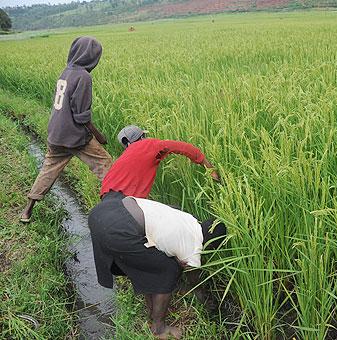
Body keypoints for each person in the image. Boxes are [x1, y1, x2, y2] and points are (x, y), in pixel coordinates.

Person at [88, 191, 226, 339]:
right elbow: (196, 285)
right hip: (117, 227)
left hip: (105, 210)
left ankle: (153, 313)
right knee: (168, 270)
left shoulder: (188, 219)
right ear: (212, 245)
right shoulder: (194, 246)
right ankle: (159, 328)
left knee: (154, 263)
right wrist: (209, 304)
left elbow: (163, 235)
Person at [20, 36, 112, 223]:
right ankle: (116, 206)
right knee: (106, 164)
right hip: (75, 136)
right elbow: (81, 116)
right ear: (91, 57)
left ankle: (27, 210)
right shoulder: (84, 77)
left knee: (48, 171)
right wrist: (99, 136)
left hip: (55, 134)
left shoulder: (66, 72)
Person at [100, 125, 220, 199]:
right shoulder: (150, 144)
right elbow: (185, 148)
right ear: (142, 137)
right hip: (128, 203)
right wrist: (211, 169)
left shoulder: (121, 160)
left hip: (105, 200)